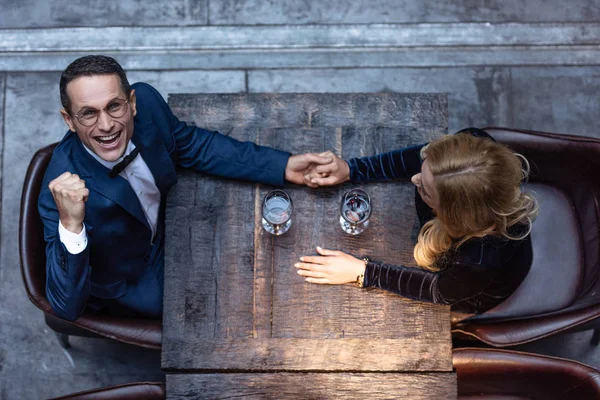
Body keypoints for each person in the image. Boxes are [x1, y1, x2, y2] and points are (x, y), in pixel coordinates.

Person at [39, 55, 333, 321]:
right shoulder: (60, 195)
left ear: (132, 102)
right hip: (135, 279)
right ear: (69, 120)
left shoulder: (149, 105)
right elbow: (65, 306)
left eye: (114, 106)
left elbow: (193, 145)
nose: (106, 125)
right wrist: (72, 224)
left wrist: (282, 166)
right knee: (227, 311)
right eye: (88, 113)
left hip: (176, 224)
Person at [295, 128, 538, 314]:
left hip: (474, 291)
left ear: (453, 215)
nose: (413, 179)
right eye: (424, 169)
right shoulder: (471, 147)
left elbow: (438, 291)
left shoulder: (479, 259)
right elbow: (416, 158)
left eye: (425, 189)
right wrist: (351, 169)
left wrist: (363, 271)